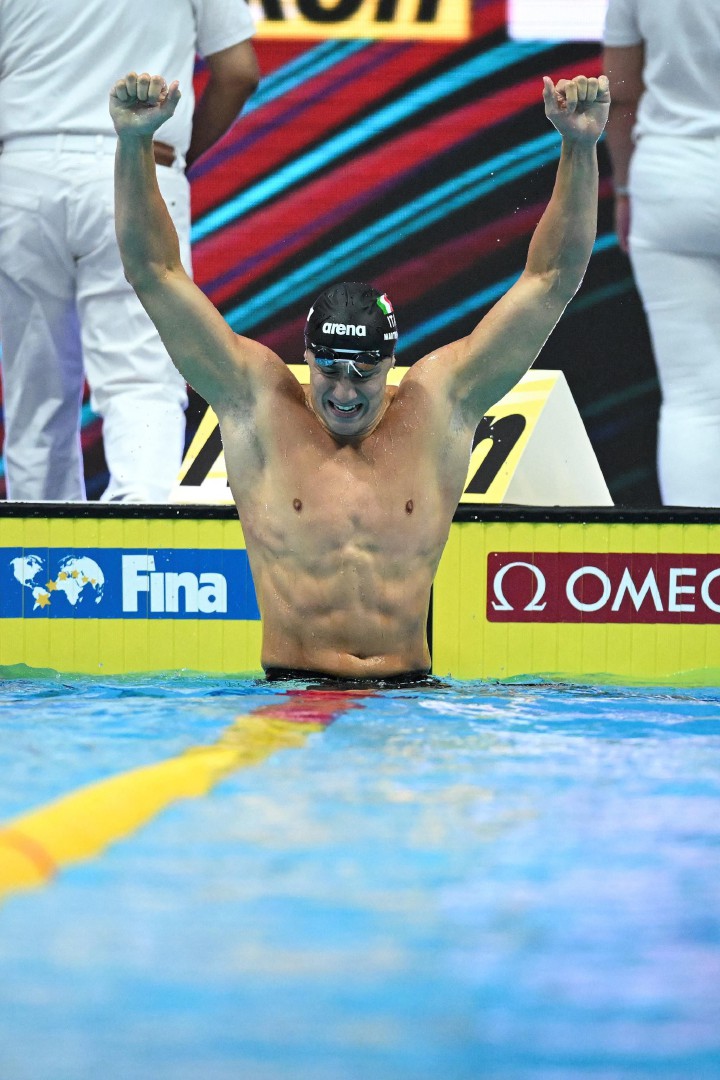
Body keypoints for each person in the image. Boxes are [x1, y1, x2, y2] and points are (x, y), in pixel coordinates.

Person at [111, 70, 610, 682]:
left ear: (391, 364)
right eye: (329, 371)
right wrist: (135, 144)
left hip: (408, 697)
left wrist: (579, 147)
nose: (344, 392)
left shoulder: (440, 406)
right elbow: (154, 272)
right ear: (306, 357)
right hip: (292, 696)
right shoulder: (256, 403)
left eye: (364, 375)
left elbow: (551, 280)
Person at [0, 1, 258, 503]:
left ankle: (35, 566)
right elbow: (239, 71)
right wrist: (171, 160)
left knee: (34, 398)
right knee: (142, 381)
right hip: (142, 161)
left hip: (22, 174)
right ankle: (136, 553)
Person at [603, 0, 720, 506]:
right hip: (671, 185)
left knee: (695, 399)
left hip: (672, 185)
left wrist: (626, 189)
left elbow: (621, 96)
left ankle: (694, 574)